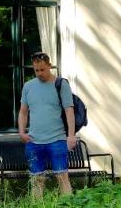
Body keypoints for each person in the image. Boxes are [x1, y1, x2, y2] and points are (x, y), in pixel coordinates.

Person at [18, 51, 77, 198]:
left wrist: (71, 136)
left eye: (42, 70)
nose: (39, 73)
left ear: (49, 66)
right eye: (36, 70)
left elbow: (69, 111)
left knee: (62, 176)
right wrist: (21, 132)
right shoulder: (28, 86)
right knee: (37, 180)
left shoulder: (61, 84)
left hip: (57, 139)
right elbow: (23, 112)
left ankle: (69, 206)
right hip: (33, 140)